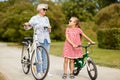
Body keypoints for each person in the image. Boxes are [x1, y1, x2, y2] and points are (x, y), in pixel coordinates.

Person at [24, 4, 51, 77]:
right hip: (38, 39)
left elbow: (49, 30)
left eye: (46, 9)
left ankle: (45, 71)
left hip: (46, 39)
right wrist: (27, 24)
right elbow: (28, 26)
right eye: (44, 9)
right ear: (39, 10)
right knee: (38, 56)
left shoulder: (46, 18)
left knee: (45, 56)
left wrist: (49, 29)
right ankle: (38, 71)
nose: (45, 11)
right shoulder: (34, 18)